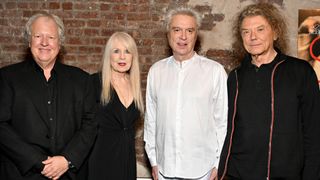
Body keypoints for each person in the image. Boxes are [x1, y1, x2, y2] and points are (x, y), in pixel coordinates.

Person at [218, 3, 320, 180]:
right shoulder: (234, 77)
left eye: (260, 29)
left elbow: (314, 131)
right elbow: (229, 130)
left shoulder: (300, 72)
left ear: (275, 32)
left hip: (287, 175)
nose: (253, 37)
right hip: (238, 174)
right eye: (246, 32)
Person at [0, 13, 97, 180]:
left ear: (59, 43)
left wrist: (67, 159)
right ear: (29, 41)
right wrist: (38, 161)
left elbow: (90, 124)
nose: (44, 42)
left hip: (68, 175)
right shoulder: (6, 78)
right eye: (38, 36)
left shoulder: (82, 80)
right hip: (21, 174)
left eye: (51, 37)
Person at [144, 6, 228, 180]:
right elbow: (151, 121)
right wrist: (153, 161)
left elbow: (222, 123)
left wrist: (218, 164)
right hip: (164, 170)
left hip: (203, 170)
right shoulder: (156, 71)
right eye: (177, 30)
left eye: (189, 30)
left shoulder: (215, 71)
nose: (183, 37)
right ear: (168, 34)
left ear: (196, 35)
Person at [88, 32, 144, 180]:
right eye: (116, 51)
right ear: (109, 56)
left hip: (127, 161)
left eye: (127, 51)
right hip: (100, 162)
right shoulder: (94, 83)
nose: (122, 57)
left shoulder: (135, 85)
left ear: (133, 56)